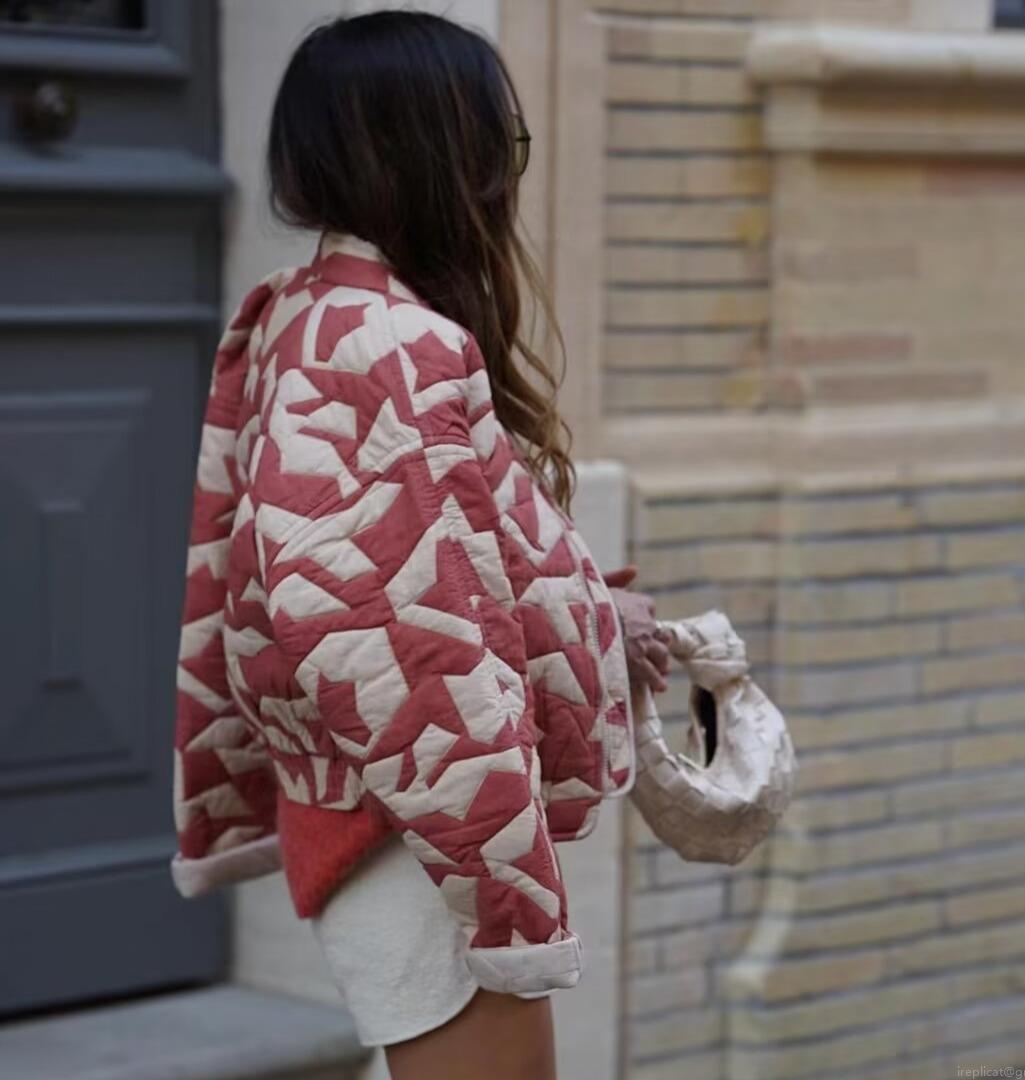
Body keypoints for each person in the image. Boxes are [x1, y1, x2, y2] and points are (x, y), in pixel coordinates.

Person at [171, 12, 671, 1080]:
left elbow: (437, 564)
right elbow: (409, 649)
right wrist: (505, 896)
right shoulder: (392, 345)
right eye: (502, 144)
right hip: (420, 834)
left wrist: (595, 609)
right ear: (447, 156)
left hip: (400, 816)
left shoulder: (306, 315)